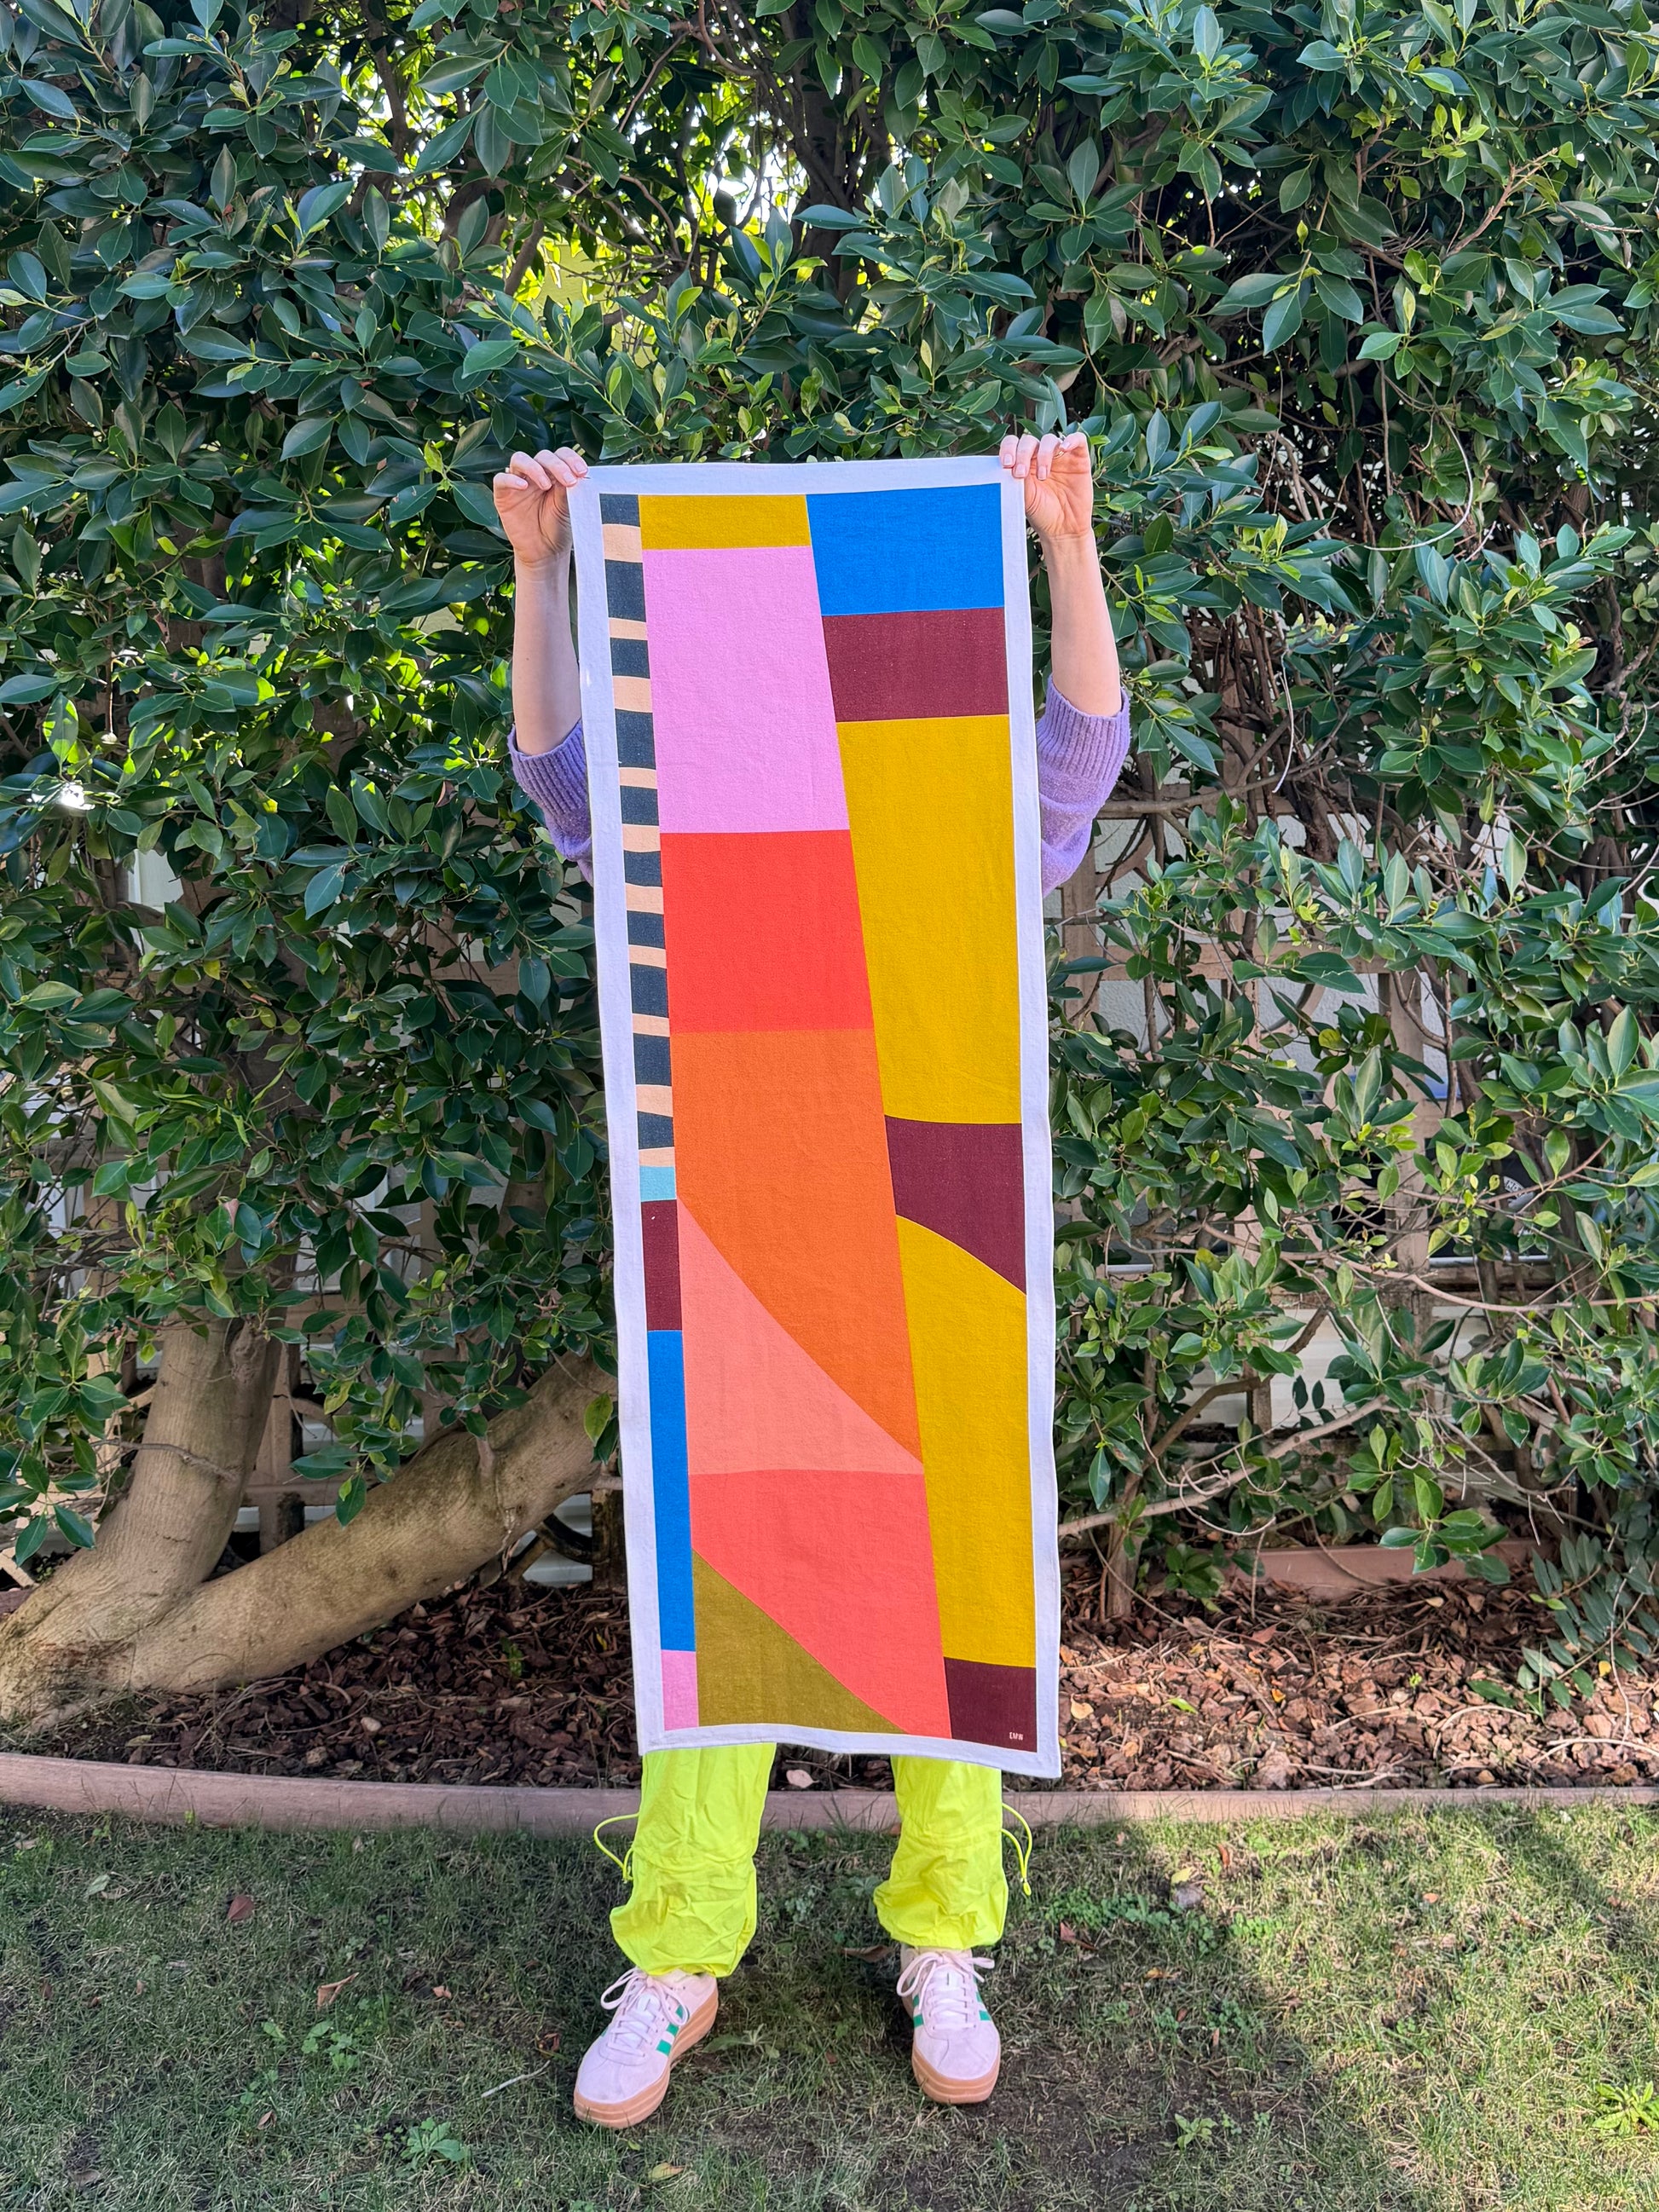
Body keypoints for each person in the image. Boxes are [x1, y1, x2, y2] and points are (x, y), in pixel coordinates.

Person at [493, 430, 1131, 2128]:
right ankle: (680, 1953)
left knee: (949, 1582)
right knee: (726, 1594)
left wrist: (1062, 545)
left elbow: (1084, 744)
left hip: (932, 1245)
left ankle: (945, 1938)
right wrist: (544, 572)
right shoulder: (684, 827)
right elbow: (562, 775)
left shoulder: (973, 823)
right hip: (742, 1247)